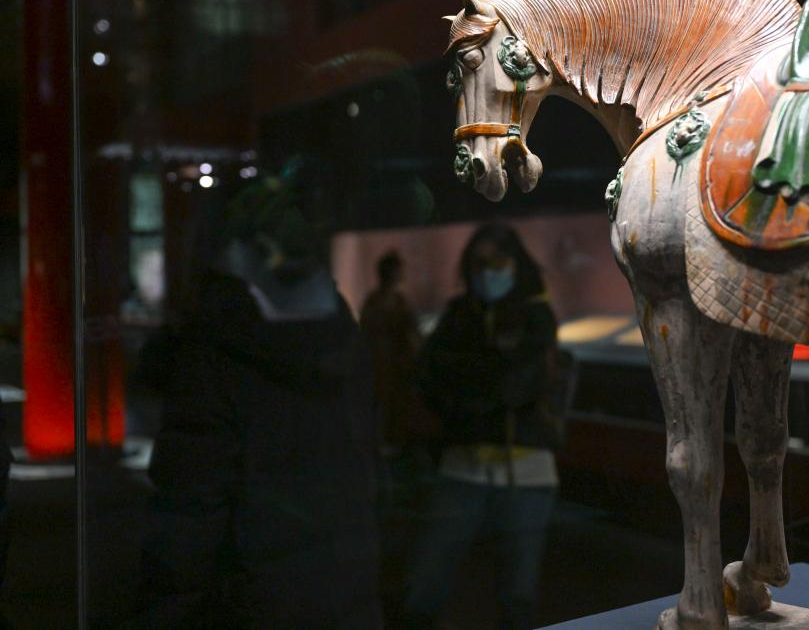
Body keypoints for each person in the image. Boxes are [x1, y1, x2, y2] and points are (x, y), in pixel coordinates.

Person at [133, 174, 382, 629]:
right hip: (347, 591)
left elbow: (190, 514)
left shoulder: (215, 347)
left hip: (252, 603)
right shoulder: (339, 336)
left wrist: (167, 610)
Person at [403, 222, 560, 630]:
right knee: (424, 586)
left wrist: (469, 381)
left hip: (526, 472)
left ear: (516, 264)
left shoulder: (536, 315)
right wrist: (489, 376)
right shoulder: (459, 314)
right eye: (479, 263)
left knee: (518, 596)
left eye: (497, 261)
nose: (488, 271)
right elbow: (429, 376)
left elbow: (519, 386)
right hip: (463, 467)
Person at [360, 251, 421, 455]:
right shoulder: (374, 302)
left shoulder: (400, 301)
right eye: (396, 270)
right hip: (379, 368)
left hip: (398, 369)